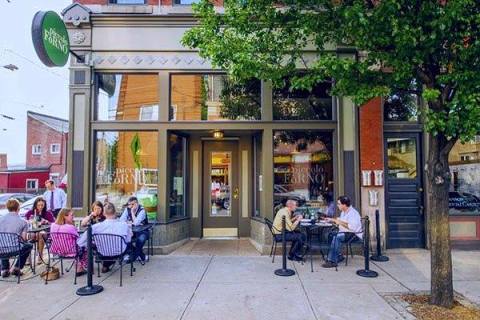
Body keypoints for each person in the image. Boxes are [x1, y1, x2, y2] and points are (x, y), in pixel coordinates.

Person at [78, 202, 132, 273]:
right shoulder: (124, 225)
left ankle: (102, 265)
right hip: (120, 252)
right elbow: (128, 240)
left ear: (103, 213)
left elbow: (81, 242)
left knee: (94, 246)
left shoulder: (95, 227)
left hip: (102, 253)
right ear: (115, 212)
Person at [322, 195, 363, 268]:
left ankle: (332, 261)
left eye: (339, 204)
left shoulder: (353, 213)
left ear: (344, 205)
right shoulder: (344, 212)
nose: (337, 205)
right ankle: (338, 255)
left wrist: (338, 222)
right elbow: (340, 221)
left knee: (336, 237)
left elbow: (352, 227)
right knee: (329, 235)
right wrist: (331, 220)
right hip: (345, 232)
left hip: (354, 234)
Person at [0, 199, 33, 278]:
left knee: (3, 243)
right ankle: (17, 267)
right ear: (18, 208)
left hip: (1, 249)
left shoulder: (0, 219)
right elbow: (24, 238)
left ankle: (5, 269)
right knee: (28, 245)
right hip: (15, 249)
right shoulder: (23, 222)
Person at [50, 208, 87, 276]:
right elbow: (78, 240)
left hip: (58, 251)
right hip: (71, 251)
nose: (73, 217)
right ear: (65, 216)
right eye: (72, 215)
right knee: (85, 245)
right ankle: (79, 268)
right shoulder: (70, 227)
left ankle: (79, 266)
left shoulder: (53, 226)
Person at [25, 197, 54, 265]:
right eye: (38, 205)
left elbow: (53, 224)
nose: (40, 207)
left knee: (40, 234)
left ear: (44, 205)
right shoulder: (30, 213)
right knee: (29, 236)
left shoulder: (48, 213)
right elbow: (25, 221)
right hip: (33, 232)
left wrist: (47, 221)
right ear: (35, 205)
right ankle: (27, 258)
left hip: (44, 232)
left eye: (42, 205)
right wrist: (30, 221)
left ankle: (40, 257)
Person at [120, 196, 149, 263]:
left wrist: (132, 213)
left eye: (132, 204)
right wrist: (129, 222)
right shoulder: (127, 209)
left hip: (143, 231)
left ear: (137, 203)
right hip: (131, 231)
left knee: (140, 240)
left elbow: (136, 223)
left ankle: (133, 257)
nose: (130, 206)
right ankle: (141, 256)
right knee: (125, 239)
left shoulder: (142, 210)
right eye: (129, 204)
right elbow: (121, 220)